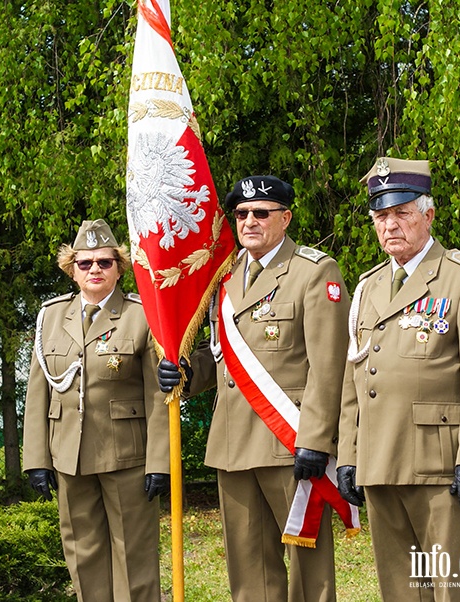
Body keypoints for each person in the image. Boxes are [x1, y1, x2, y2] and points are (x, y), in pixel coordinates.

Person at [159, 175, 349, 602]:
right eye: (241, 214)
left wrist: (317, 440)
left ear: (285, 218)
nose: (249, 221)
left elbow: (329, 364)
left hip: (291, 442)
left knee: (308, 566)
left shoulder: (314, 272)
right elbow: (217, 359)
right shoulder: (222, 277)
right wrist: (185, 374)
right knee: (248, 570)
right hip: (232, 443)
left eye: (261, 213)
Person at [336, 157, 460, 600]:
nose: (390, 226)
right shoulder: (368, 287)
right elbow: (355, 376)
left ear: (428, 215)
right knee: (400, 588)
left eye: (401, 213)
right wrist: (348, 455)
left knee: (455, 588)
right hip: (379, 461)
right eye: (381, 216)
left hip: (440, 466)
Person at [23, 219, 170, 602]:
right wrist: (37, 458)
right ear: (71, 269)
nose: (95, 270)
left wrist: (160, 462)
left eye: (105, 262)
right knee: (82, 557)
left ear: (120, 268)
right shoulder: (51, 316)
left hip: (127, 457)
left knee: (133, 558)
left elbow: (158, 395)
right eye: (85, 263)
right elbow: (38, 393)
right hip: (68, 458)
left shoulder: (143, 315)